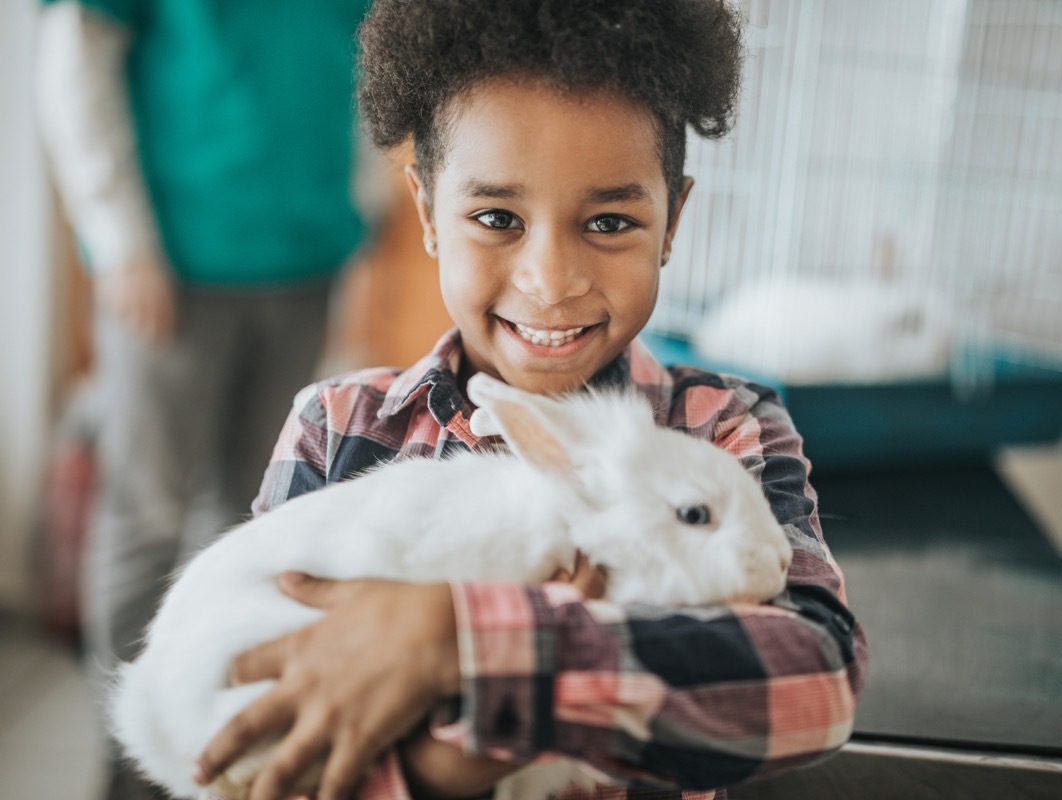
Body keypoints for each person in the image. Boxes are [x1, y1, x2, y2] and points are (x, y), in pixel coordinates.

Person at [192, 2, 869, 799]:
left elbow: (812, 682)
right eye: (496, 218)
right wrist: (459, 759)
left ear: (671, 221)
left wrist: (463, 641)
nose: (550, 281)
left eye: (610, 221)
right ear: (427, 214)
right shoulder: (337, 429)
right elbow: (272, 720)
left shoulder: (725, 427)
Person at [33, 1, 379, 797]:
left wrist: (361, 206)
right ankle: (128, 758)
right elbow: (76, 53)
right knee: (146, 516)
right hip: (174, 264)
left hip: (307, 254)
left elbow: (357, 52)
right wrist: (120, 240)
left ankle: (206, 745)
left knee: (253, 521)